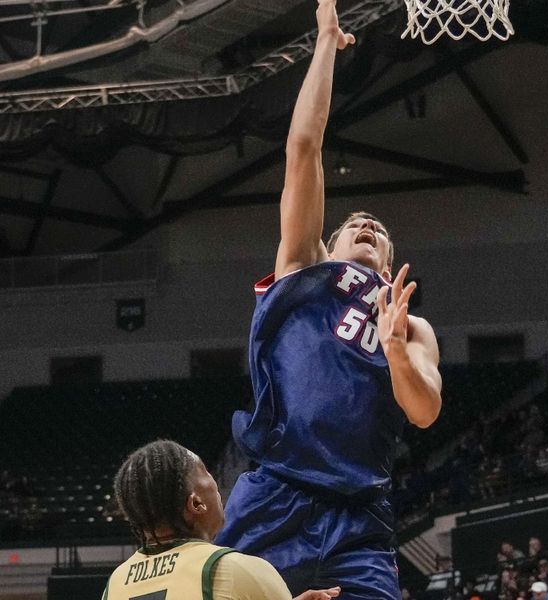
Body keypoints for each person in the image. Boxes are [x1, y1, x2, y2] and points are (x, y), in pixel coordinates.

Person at [214, 2, 443, 598]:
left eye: (379, 229)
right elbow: (304, 149)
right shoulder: (302, 268)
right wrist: (324, 43)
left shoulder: (412, 326)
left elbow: (423, 411)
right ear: (328, 242)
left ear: (389, 262)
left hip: (359, 511)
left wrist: (394, 350)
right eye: (354, 223)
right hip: (276, 493)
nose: (367, 225)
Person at [104, 440, 340, 600]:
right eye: (206, 473)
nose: (216, 485)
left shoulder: (116, 584)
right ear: (196, 504)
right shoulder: (236, 569)